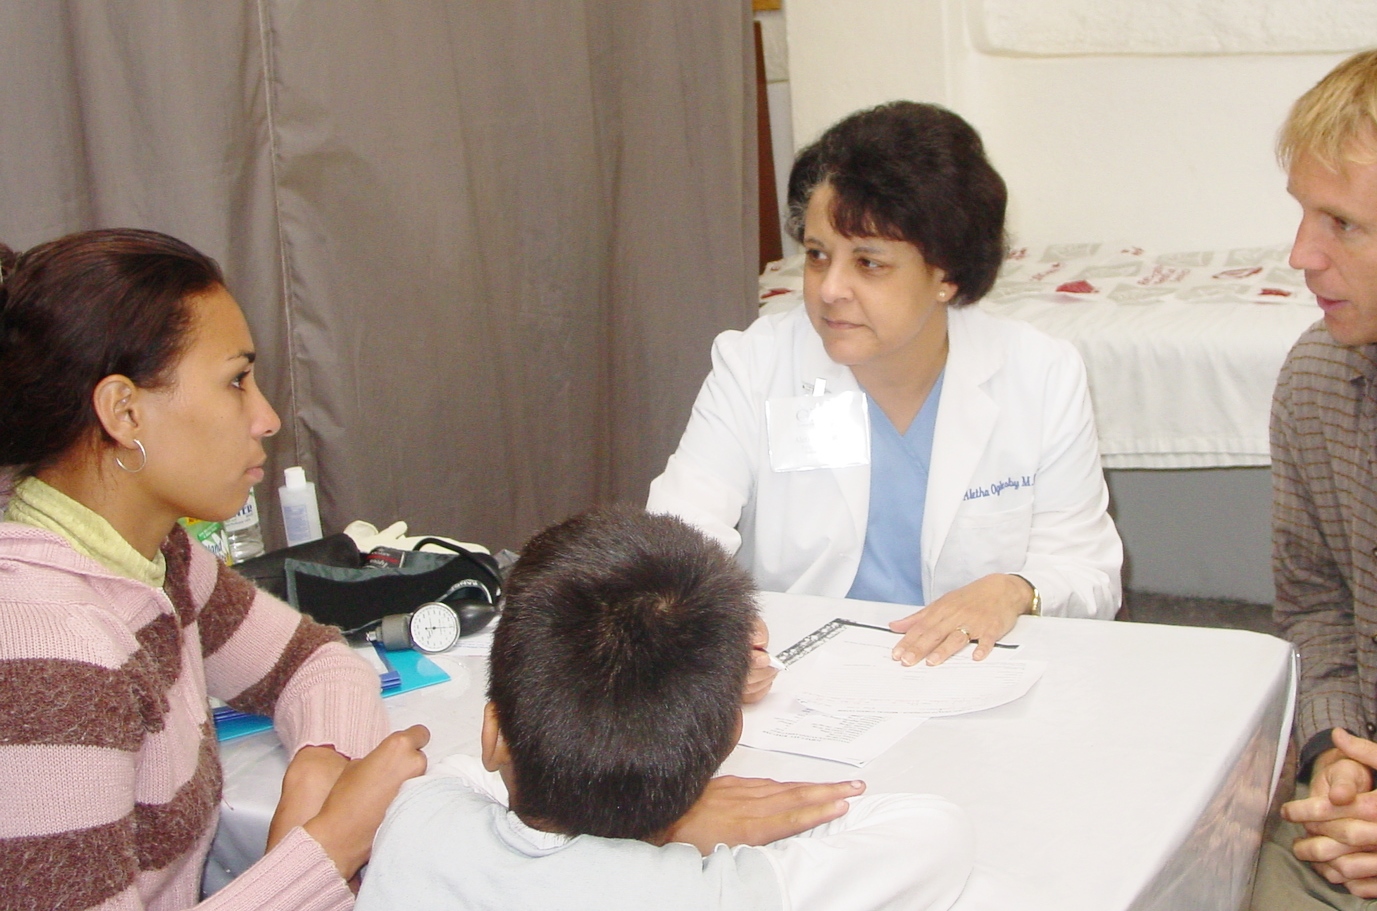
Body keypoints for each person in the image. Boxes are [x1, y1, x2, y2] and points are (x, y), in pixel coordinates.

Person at [0, 228, 429, 911]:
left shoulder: (155, 557)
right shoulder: (47, 655)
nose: (266, 418)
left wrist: (320, 765)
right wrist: (328, 849)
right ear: (123, 411)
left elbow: (312, 659)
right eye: (235, 381)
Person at [647, 101, 1122, 675]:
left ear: (947, 274)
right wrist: (712, 640)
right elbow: (676, 538)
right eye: (817, 255)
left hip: (974, 670)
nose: (830, 289)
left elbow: (1089, 573)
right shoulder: (755, 363)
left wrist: (1015, 590)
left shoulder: (1040, 374)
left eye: (869, 263)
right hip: (796, 674)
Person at [355, 506, 973, 911]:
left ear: (493, 734)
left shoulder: (418, 825)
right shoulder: (720, 896)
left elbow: (462, 775)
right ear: (727, 738)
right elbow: (935, 833)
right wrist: (678, 823)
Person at [1250, 48, 1377, 908]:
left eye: (1342, 224)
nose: (1301, 254)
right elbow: (1317, 607)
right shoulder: (1316, 378)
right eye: (1302, 213)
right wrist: (1332, 752)